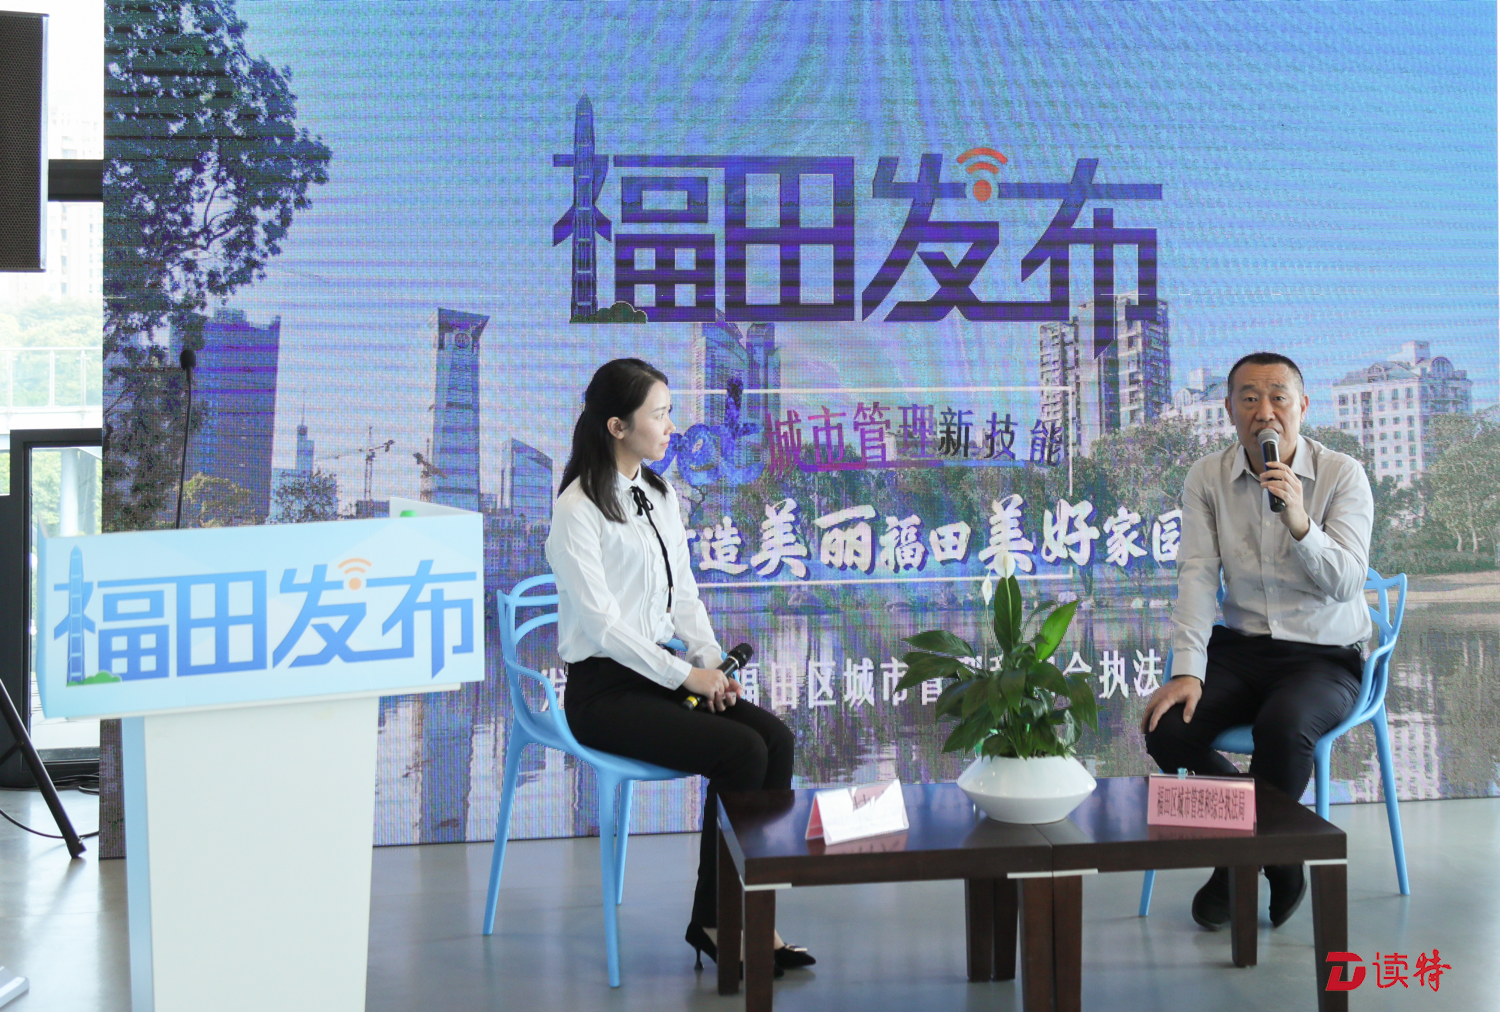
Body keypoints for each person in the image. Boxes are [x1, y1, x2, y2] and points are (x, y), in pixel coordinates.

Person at [544, 358, 813, 974]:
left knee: (775, 740)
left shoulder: (660, 494)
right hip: (604, 694)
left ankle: (754, 917)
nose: (672, 427)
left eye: (670, 413)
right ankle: (715, 921)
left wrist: (711, 665)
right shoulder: (577, 508)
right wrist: (686, 677)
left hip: (660, 675)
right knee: (741, 753)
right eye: (660, 415)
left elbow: (684, 596)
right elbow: (605, 628)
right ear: (617, 426)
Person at [1140, 352, 1372, 930]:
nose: (1264, 412)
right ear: (1228, 410)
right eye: (1248, 398)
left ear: (1302, 407)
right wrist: (1188, 669)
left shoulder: (1342, 474)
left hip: (1324, 656)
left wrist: (1299, 519)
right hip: (1243, 650)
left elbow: (1347, 582)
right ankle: (1279, 855)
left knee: (1283, 728)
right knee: (1167, 728)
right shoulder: (1206, 477)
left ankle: (1232, 867)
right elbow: (1197, 576)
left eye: (1277, 397)